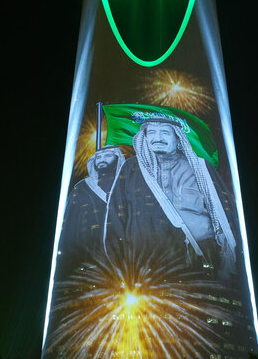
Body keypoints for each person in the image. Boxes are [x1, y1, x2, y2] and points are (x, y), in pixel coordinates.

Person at [105, 119, 240, 281]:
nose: (158, 138)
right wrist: (119, 265)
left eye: (165, 133)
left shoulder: (200, 168)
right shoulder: (131, 169)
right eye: (152, 133)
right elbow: (115, 216)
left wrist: (227, 264)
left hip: (200, 260)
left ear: (178, 139)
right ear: (145, 138)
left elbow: (225, 215)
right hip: (145, 265)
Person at [56, 146, 125, 273]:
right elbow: (69, 228)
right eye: (98, 157)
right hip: (87, 255)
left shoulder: (127, 187)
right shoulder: (82, 188)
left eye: (108, 156)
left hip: (120, 255)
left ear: (118, 159)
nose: (102, 159)